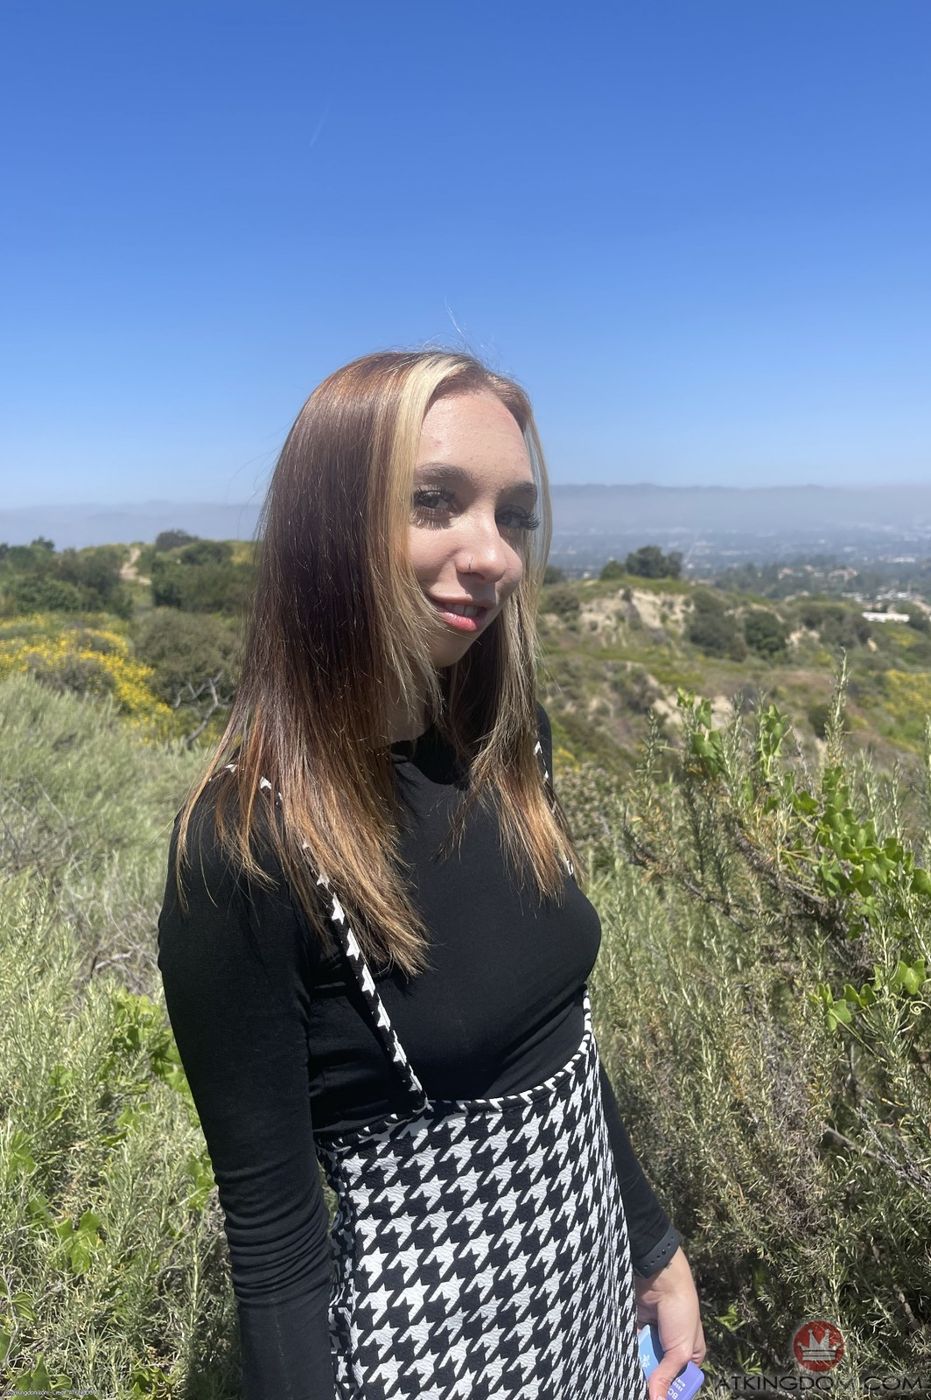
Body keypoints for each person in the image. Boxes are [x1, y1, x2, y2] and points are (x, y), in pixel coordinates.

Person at [156, 349, 706, 1400]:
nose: (492, 554)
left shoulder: (508, 749)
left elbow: (563, 1044)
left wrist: (654, 1247)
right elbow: (274, 1247)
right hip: (434, 1357)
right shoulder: (246, 849)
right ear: (331, 521)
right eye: (433, 501)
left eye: (514, 515)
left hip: (591, 1308)